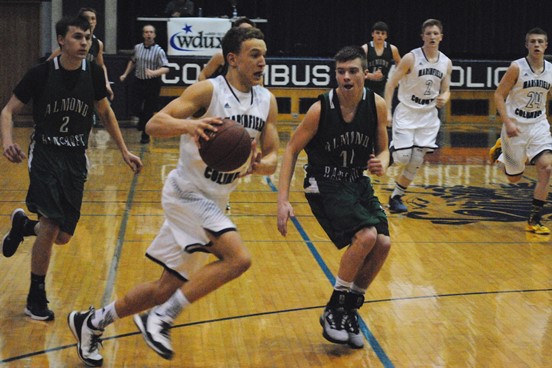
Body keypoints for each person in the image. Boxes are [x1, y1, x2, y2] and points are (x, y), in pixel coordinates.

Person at [68, 27, 278, 366]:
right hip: (186, 193)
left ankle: (91, 322)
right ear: (233, 59)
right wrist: (190, 126)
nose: (262, 62)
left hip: (216, 200)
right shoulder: (208, 90)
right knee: (239, 259)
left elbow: (272, 156)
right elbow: (153, 123)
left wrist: (258, 165)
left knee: (164, 288)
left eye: (264, 55)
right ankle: (160, 319)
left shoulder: (267, 101)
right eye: (254, 54)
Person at [0, 15, 142, 322]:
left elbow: (105, 114)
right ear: (61, 40)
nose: (84, 43)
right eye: (78, 37)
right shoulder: (39, 74)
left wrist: (124, 150)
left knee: (61, 236)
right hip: (46, 154)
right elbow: (8, 110)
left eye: (88, 38)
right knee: (51, 225)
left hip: (76, 158)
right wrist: (8, 141)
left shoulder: (93, 72)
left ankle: (24, 226)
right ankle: (36, 296)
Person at [277, 46, 391, 349]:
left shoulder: (376, 105)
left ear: (364, 73)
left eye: (353, 70)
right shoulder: (321, 109)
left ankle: (349, 309)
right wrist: (282, 200)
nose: (346, 77)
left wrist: (383, 161)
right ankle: (334, 309)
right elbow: (290, 149)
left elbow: (384, 149)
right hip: (324, 181)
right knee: (366, 236)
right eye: (340, 71)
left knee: (383, 243)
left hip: (357, 181)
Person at [384, 19, 452, 213]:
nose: (432, 36)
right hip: (407, 112)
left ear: (441, 37)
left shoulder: (446, 62)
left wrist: (444, 98)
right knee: (403, 157)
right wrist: (388, 111)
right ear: (422, 36)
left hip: (429, 117)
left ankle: (396, 196)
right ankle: (388, 152)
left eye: (435, 33)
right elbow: (390, 84)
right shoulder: (410, 58)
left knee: (416, 161)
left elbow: (447, 89)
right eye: (428, 33)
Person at [489, 27, 552, 234]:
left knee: (547, 168)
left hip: (538, 124)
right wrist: (507, 122)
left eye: (540, 41)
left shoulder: (550, 69)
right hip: (515, 126)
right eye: (532, 41)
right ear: (527, 45)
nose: (536, 45)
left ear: (546, 45)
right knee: (514, 178)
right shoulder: (517, 67)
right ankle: (500, 151)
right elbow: (499, 95)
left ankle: (534, 219)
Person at [48, 8, 114, 101]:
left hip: (88, 82)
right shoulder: (70, 44)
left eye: (93, 18)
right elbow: (49, 63)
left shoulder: (98, 44)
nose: (90, 21)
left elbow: (101, 65)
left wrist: (106, 83)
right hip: (70, 82)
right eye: (87, 18)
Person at [119, 25, 169, 144]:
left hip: (152, 83)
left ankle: (145, 136)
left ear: (154, 35)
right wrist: (125, 74)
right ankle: (142, 121)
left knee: (148, 110)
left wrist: (154, 72)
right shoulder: (138, 48)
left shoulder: (159, 51)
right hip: (138, 80)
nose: (148, 34)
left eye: (151, 32)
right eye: (146, 32)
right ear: (143, 34)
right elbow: (133, 61)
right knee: (134, 107)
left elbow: (166, 68)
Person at [197, 17, 255, 82]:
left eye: (250, 31)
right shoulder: (221, 55)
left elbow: (259, 82)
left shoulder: (253, 58)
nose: (247, 34)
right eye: (243, 30)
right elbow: (202, 75)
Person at [361, 21, 401, 97]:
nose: (380, 36)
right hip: (367, 85)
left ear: (386, 36)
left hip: (383, 87)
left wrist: (395, 78)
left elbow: (400, 65)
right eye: (377, 33)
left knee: (382, 107)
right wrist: (370, 75)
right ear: (372, 34)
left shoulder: (392, 49)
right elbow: (358, 68)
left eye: (383, 33)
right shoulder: (365, 49)